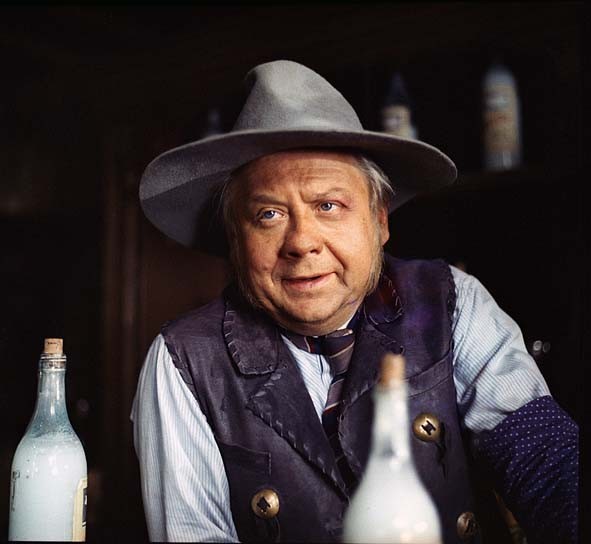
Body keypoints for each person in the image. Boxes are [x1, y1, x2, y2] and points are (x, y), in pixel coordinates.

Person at [131, 60, 578, 543]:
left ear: (379, 222)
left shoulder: (451, 301)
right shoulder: (182, 360)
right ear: (236, 241)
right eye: (269, 214)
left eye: (328, 205)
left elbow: (546, 461)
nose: (302, 242)